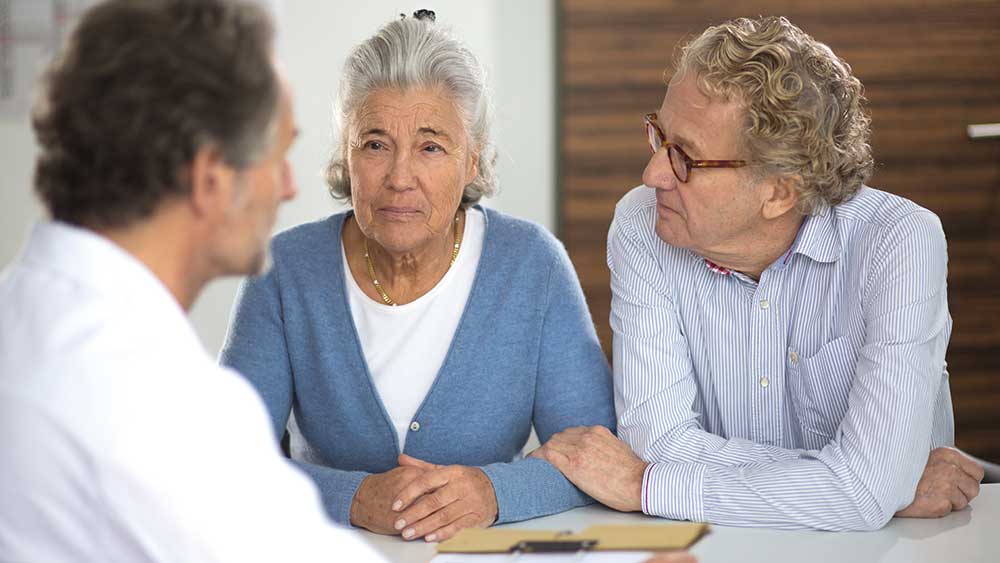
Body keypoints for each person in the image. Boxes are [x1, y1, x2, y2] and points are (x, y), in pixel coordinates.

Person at [531, 16, 984, 531]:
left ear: (779, 192)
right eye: (659, 137)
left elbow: (863, 490)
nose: (653, 173)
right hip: (714, 542)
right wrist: (872, 487)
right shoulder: (643, 225)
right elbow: (658, 443)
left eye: (686, 158)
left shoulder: (899, 242)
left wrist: (644, 485)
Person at [0, 1, 384, 560]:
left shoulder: (20, 317)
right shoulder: (164, 408)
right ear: (211, 180)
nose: (288, 187)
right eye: (278, 157)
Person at [219, 12, 616, 543]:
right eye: (375, 144)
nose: (400, 178)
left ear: (471, 161)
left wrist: (493, 492)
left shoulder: (531, 265)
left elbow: (594, 454)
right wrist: (353, 498)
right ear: (346, 157)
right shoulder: (284, 270)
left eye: (430, 147)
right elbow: (227, 462)